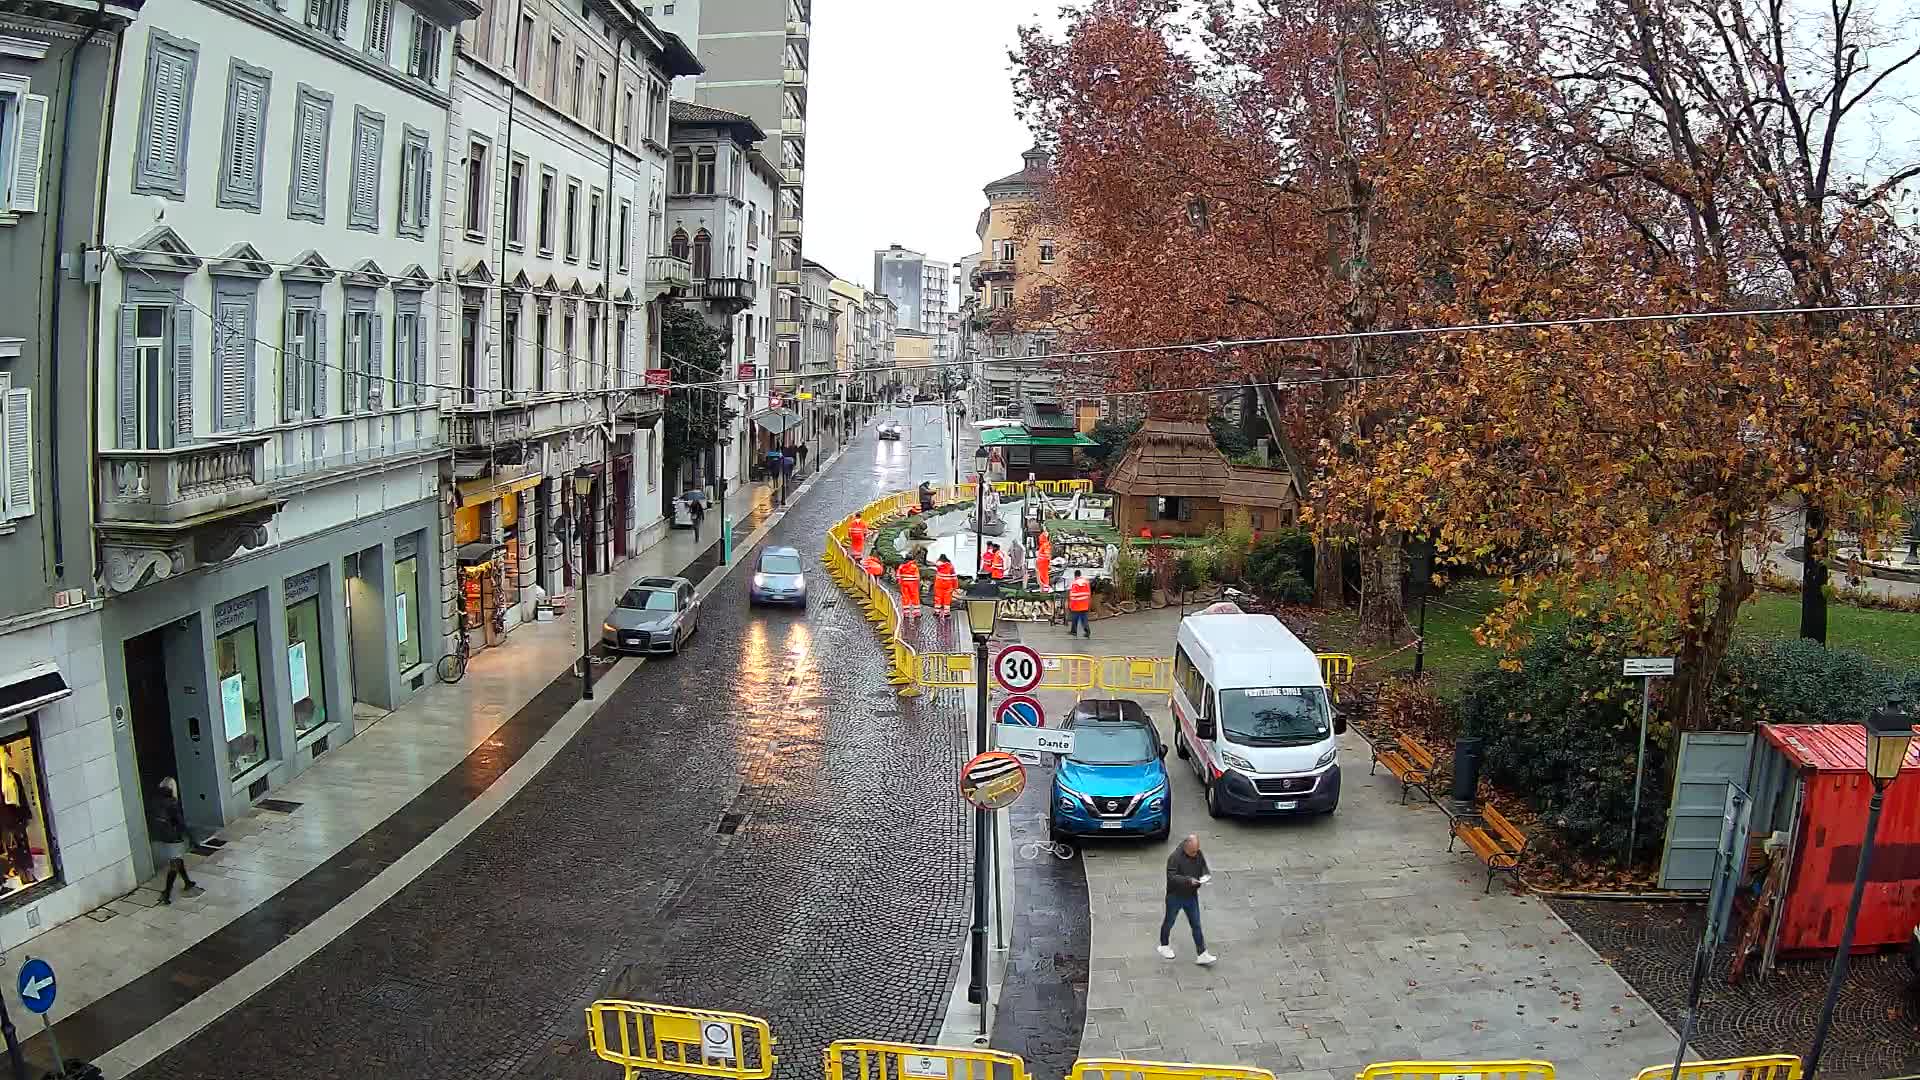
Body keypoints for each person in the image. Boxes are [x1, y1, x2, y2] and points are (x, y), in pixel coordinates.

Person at [1159, 834, 1216, 965]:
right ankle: (1164, 945)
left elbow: (1203, 866)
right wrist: (1188, 880)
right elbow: (1172, 877)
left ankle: (1202, 953)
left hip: (1191, 895)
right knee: (1169, 921)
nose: (1195, 854)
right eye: (1192, 852)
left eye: (1196, 851)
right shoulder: (1174, 858)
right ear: (1186, 847)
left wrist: (1205, 875)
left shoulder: (1198, 853)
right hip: (1175, 896)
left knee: (1196, 924)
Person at [151, 778, 202, 905]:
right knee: (175, 864)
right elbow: (181, 822)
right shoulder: (172, 802)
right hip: (172, 837)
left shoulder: (156, 800)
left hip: (160, 836)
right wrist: (192, 838)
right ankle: (166, 893)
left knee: (178, 860)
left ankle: (187, 882)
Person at [1067, 570, 1093, 638]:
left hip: (1076, 604)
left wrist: (1070, 605)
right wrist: (1088, 602)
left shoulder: (1074, 583)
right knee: (1084, 618)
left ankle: (1074, 631)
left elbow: (1072, 595)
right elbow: (1089, 593)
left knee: (1074, 618)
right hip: (1084, 603)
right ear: (1080, 575)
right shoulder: (1086, 582)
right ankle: (1087, 631)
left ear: (1075, 575)